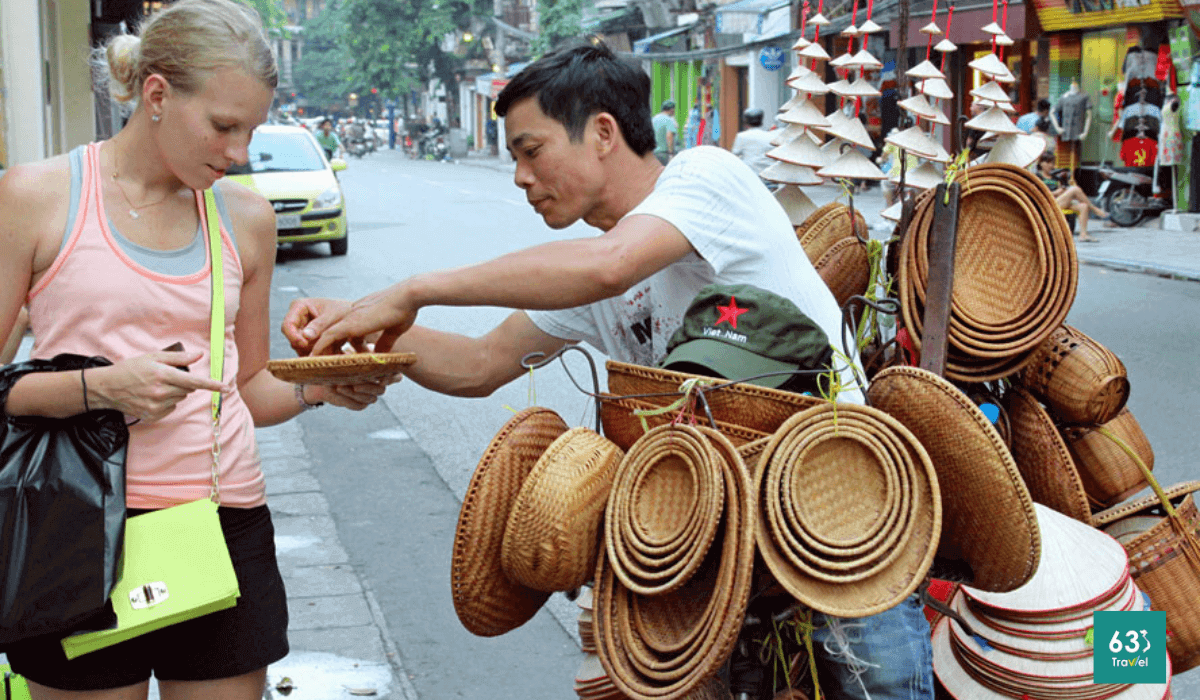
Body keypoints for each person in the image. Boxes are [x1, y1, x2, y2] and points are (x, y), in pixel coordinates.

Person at [282, 41, 931, 700]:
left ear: (601, 133)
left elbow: (610, 263)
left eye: (531, 152)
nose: (520, 178)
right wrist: (367, 324)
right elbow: (479, 365)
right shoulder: (596, 277)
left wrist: (416, 288)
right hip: (727, 547)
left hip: (842, 515)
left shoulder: (703, 177)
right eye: (514, 160)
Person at [0, 1, 398, 697]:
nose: (241, 152)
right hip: (75, 526)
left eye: (251, 129)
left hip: (222, 521)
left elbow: (244, 387)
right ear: (156, 94)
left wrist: (322, 387)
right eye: (223, 126)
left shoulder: (245, 218)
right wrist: (100, 389)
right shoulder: (38, 197)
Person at [1037, 152, 1104, 241]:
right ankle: (1094, 209)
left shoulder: (1056, 177)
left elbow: (1062, 190)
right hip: (1047, 204)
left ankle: (1083, 235)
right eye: (1048, 162)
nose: (1051, 165)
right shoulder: (1038, 177)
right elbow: (1038, 193)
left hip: (1059, 202)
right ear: (1041, 163)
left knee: (1083, 206)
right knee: (1075, 189)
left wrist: (1064, 188)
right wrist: (1055, 193)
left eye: (1052, 163)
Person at [730, 107, 775, 176]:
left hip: (750, 174)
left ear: (746, 121)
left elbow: (735, 153)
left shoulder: (742, 136)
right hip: (768, 173)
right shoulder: (771, 136)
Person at [652, 99, 677, 164]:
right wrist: (671, 153)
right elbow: (669, 135)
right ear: (671, 110)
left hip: (653, 153)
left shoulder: (654, 119)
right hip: (664, 154)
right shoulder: (669, 120)